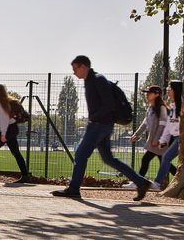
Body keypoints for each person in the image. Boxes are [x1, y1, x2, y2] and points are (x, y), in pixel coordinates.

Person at [52, 55, 151, 201]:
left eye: (75, 68)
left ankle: (73, 189)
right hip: (102, 125)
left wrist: (94, 118)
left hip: (99, 125)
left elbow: (109, 104)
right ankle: (141, 183)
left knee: (80, 154)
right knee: (109, 159)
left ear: (83, 66)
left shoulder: (98, 79)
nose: (73, 72)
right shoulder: (90, 81)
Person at [128, 85, 174, 184]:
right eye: (147, 93)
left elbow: (163, 125)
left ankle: (138, 182)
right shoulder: (150, 108)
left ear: (157, 94)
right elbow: (145, 123)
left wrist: (157, 139)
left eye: (150, 93)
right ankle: (180, 178)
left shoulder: (161, 108)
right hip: (154, 140)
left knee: (146, 160)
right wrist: (136, 134)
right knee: (165, 162)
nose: (147, 94)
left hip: (160, 140)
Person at [153, 80, 183, 190]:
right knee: (165, 157)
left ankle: (157, 183)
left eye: (169, 89)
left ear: (176, 90)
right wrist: (163, 140)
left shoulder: (183, 106)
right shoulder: (172, 107)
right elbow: (168, 127)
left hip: (181, 138)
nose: (167, 91)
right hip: (175, 138)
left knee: (166, 157)